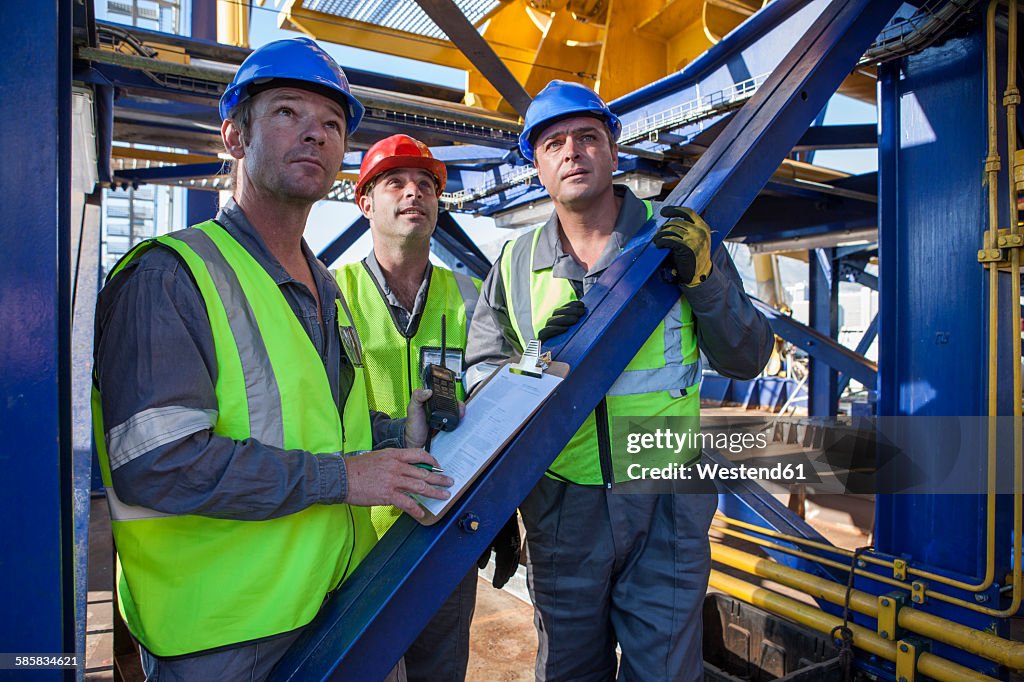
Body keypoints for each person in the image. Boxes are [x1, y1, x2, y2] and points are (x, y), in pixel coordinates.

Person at [91, 37, 453, 681]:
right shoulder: (170, 277)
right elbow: (156, 465)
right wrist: (345, 478)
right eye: (288, 112)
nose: (315, 133)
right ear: (233, 136)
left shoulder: (328, 290)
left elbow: (316, 427)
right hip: (225, 638)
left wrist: (398, 439)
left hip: (339, 602)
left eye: (332, 124)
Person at [465, 80, 774, 681]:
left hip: (663, 499)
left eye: (587, 138)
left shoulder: (676, 238)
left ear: (613, 148)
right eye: (553, 144)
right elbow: (480, 377)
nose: (572, 152)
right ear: (537, 165)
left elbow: (748, 357)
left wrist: (705, 280)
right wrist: (533, 364)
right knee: (568, 671)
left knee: (662, 672)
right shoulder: (515, 261)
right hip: (562, 504)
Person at [334, 134, 520, 682]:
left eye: (426, 185)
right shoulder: (331, 293)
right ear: (365, 202)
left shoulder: (473, 296)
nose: (413, 193)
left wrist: (500, 512)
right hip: (356, 532)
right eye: (395, 182)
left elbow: (499, 402)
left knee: (440, 668)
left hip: (448, 525)